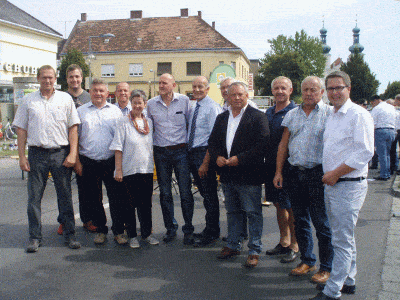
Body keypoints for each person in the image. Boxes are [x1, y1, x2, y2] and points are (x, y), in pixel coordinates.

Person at [310, 71, 374, 300]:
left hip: (347, 184)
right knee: (343, 236)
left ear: (349, 88)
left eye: (339, 88)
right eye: (331, 88)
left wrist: (336, 173)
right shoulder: (334, 115)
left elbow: (365, 152)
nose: (335, 92)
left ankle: (333, 289)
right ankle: (348, 280)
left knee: (341, 240)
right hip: (333, 183)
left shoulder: (358, 115)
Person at [13, 65, 81, 252]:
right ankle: (35, 237)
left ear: (55, 78)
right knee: (34, 198)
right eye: (44, 78)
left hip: (60, 153)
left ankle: (70, 235)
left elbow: (73, 128)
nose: (48, 81)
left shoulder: (65, 99)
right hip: (37, 154)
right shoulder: (28, 101)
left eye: (51, 77)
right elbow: (21, 129)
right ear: (38, 79)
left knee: (65, 195)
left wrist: (73, 153)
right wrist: (21, 156)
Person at [273, 76, 333, 285]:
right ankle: (307, 260)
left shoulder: (329, 114)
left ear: (322, 92)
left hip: (318, 175)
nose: (308, 93)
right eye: (305, 90)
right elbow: (283, 145)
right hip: (295, 173)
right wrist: (279, 171)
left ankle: (326, 267)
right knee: (300, 221)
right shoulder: (292, 115)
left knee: (321, 223)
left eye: (313, 90)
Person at [208, 82, 269, 268]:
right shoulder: (221, 118)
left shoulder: (258, 117)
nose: (236, 98)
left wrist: (240, 159)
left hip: (249, 175)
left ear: (246, 96)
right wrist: (217, 156)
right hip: (227, 174)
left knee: (252, 213)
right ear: (227, 96)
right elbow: (212, 142)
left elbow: (262, 144)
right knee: (233, 212)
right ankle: (233, 244)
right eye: (232, 95)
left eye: (240, 94)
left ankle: (254, 250)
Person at [146, 73, 195, 245]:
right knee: (165, 193)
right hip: (161, 153)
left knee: (185, 192)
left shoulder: (184, 101)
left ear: (173, 85)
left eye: (164, 83)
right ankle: (170, 228)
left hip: (181, 152)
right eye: (159, 82)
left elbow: (190, 124)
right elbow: (148, 127)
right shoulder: (151, 104)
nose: (161, 85)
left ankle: (188, 228)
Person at [74, 78, 124, 245]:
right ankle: (101, 230)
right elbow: (75, 138)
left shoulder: (115, 112)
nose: (98, 93)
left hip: (110, 161)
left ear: (107, 93)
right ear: (90, 92)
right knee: (94, 199)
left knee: (116, 198)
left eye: (101, 90)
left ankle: (118, 231)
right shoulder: (81, 111)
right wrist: (77, 162)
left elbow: (121, 139)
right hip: (89, 161)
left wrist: (120, 165)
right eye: (95, 90)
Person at [110, 90, 159, 248]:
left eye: (141, 102)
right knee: (129, 205)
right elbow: (118, 147)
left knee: (146, 204)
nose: (138, 105)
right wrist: (118, 170)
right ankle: (132, 235)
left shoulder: (149, 123)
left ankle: (146, 234)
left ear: (145, 104)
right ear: (131, 103)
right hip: (129, 170)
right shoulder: (123, 122)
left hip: (146, 170)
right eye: (135, 102)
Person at [264, 76, 299, 263]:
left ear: (290, 90)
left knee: (290, 206)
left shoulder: (295, 111)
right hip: (270, 165)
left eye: (283, 88)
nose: (279, 91)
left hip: (288, 166)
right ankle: (284, 241)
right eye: (276, 88)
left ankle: (295, 244)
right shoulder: (269, 112)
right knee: (278, 204)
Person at [60, 64, 96, 236]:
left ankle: (87, 219)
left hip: (83, 149)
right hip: (62, 149)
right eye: (71, 77)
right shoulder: (59, 97)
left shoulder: (90, 97)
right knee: (64, 188)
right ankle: (64, 221)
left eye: (77, 76)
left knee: (85, 188)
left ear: (82, 78)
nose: (74, 79)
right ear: (66, 79)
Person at [187, 76, 222, 247]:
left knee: (209, 195)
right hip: (193, 153)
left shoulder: (212, 108)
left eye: (201, 86)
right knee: (204, 194)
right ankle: (209, 228)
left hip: (204, 155)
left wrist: (205, 163)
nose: (197, 89)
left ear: (207, 89)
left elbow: (213, 140)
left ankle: (212, 232)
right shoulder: (195, 106)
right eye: (194, 86)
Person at [219, 77, 248, 242]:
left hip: (244, 167)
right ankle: (235, 237)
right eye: (223, 88)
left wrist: (241, 158)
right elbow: (217, 138)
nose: (226, 91)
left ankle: (246, 239)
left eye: (228, 87)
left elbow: (257, 143)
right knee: (232, 207)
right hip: (227, 167)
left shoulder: (251, 111)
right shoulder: (222, 111)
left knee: (248, 207)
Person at [370, 94, 397, 180]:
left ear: (375, 101)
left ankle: (384, 174)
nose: (372, 105)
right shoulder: (391, 107)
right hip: (392, 131)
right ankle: (387, 172)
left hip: (381, 131)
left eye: (372, 103)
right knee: (388, 153)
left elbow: (372, 123)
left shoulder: (376, 109)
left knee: (382, 154)